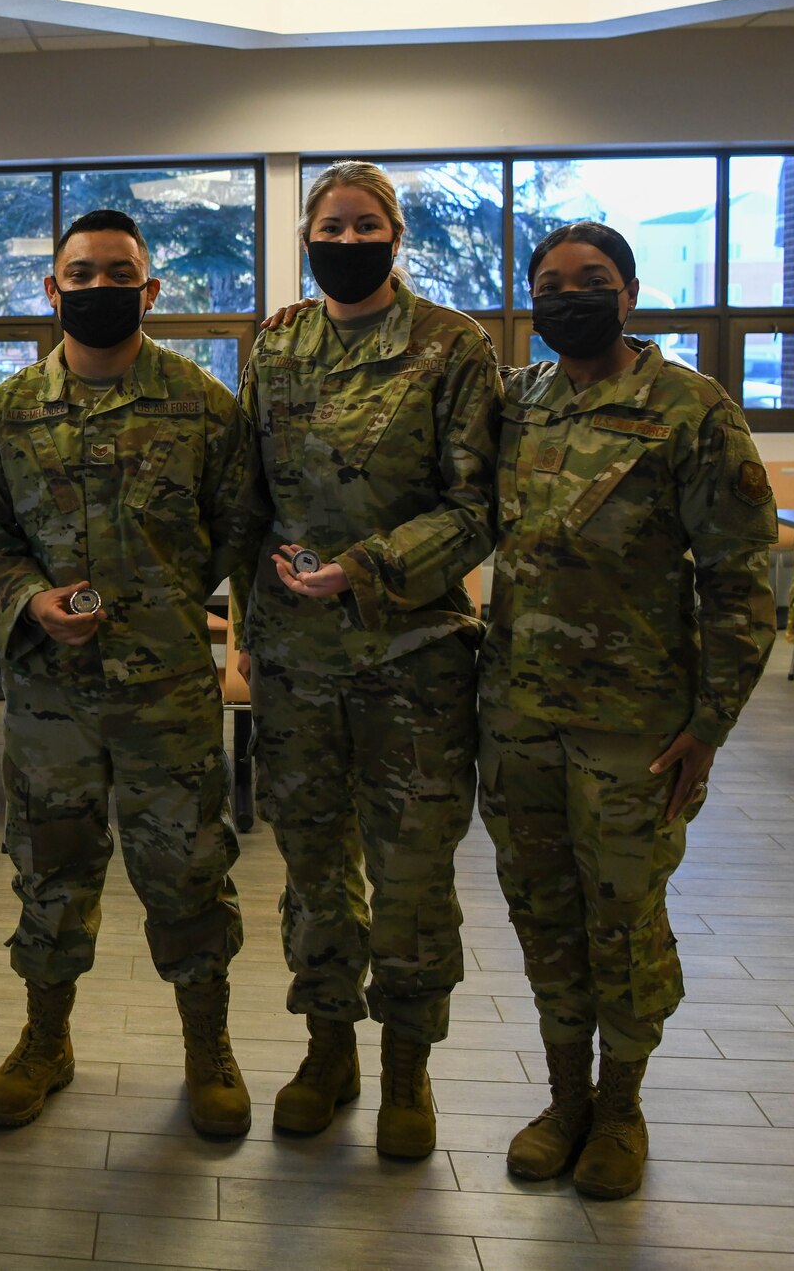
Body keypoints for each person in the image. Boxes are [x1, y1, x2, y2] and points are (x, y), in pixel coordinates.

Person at [481, 222, 775, 1198]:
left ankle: (619, 1106)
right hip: (517, 717)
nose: (570, 297)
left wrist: (709, 723)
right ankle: (563, 1096)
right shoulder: (517, 405)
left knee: (623, 919)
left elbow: (738, 583)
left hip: (632, 727)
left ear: (629, 294)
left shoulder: (689, 409)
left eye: (590, 281)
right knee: (542, 913)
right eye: (551, 284)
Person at [0, 209, 257, 1138]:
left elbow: (240, 529)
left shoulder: (205, 406)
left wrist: (180, 607)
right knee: (50, 870)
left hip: (166, 688)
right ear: (51, 290)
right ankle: (46, 1040)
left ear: (150, 289)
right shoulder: (7, 414)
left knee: (188, 870)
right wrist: (30, 601)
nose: (97, 288)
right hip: (51, 697)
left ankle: (207, 1046)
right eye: (78, 275)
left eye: (116, 272)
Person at [235, 160, 500, 1159]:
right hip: (297, 666)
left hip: (414, 659)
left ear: (395, 236)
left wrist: (363, 569)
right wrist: (251, 630)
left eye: (364, 225)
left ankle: (404, 1071)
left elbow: (476, 509)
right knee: (310, 869)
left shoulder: (450, 346)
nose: (344, 240)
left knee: (411, 876)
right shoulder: (279, 343)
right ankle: (325, 1050)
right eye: (328, 225)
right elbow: (250, 500)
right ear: (306, 236)